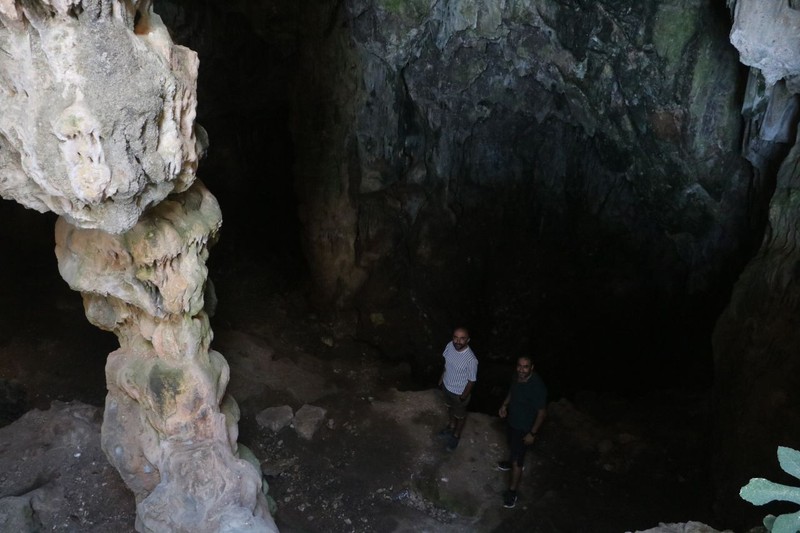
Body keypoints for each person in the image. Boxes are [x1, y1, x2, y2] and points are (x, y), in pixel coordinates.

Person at [497, 355, 547, 509]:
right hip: (513, 421)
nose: (521, 369)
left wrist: (532, 433)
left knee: (518, 461)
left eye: (526, 367)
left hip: (524, 427)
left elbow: (542, 412)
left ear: (532, 368)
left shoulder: (537, 387)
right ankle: (511, 461)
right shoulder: (517, 376)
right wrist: (504, 405)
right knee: (511, 445)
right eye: (519, 366)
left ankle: (512, 492)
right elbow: (512, 391)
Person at [437, 327, 478, 452]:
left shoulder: (471, 360)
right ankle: (450, 426)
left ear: (468, 340)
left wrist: (463, 396)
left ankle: (456, 434)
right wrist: (442, 378)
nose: (458, 341)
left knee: (460, 415)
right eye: (455, 337)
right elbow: (446, 363)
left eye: (462, 338)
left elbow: (472, 380)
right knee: (449, 407)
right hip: (446, 386)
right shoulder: (450, 345)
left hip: (459, 392)